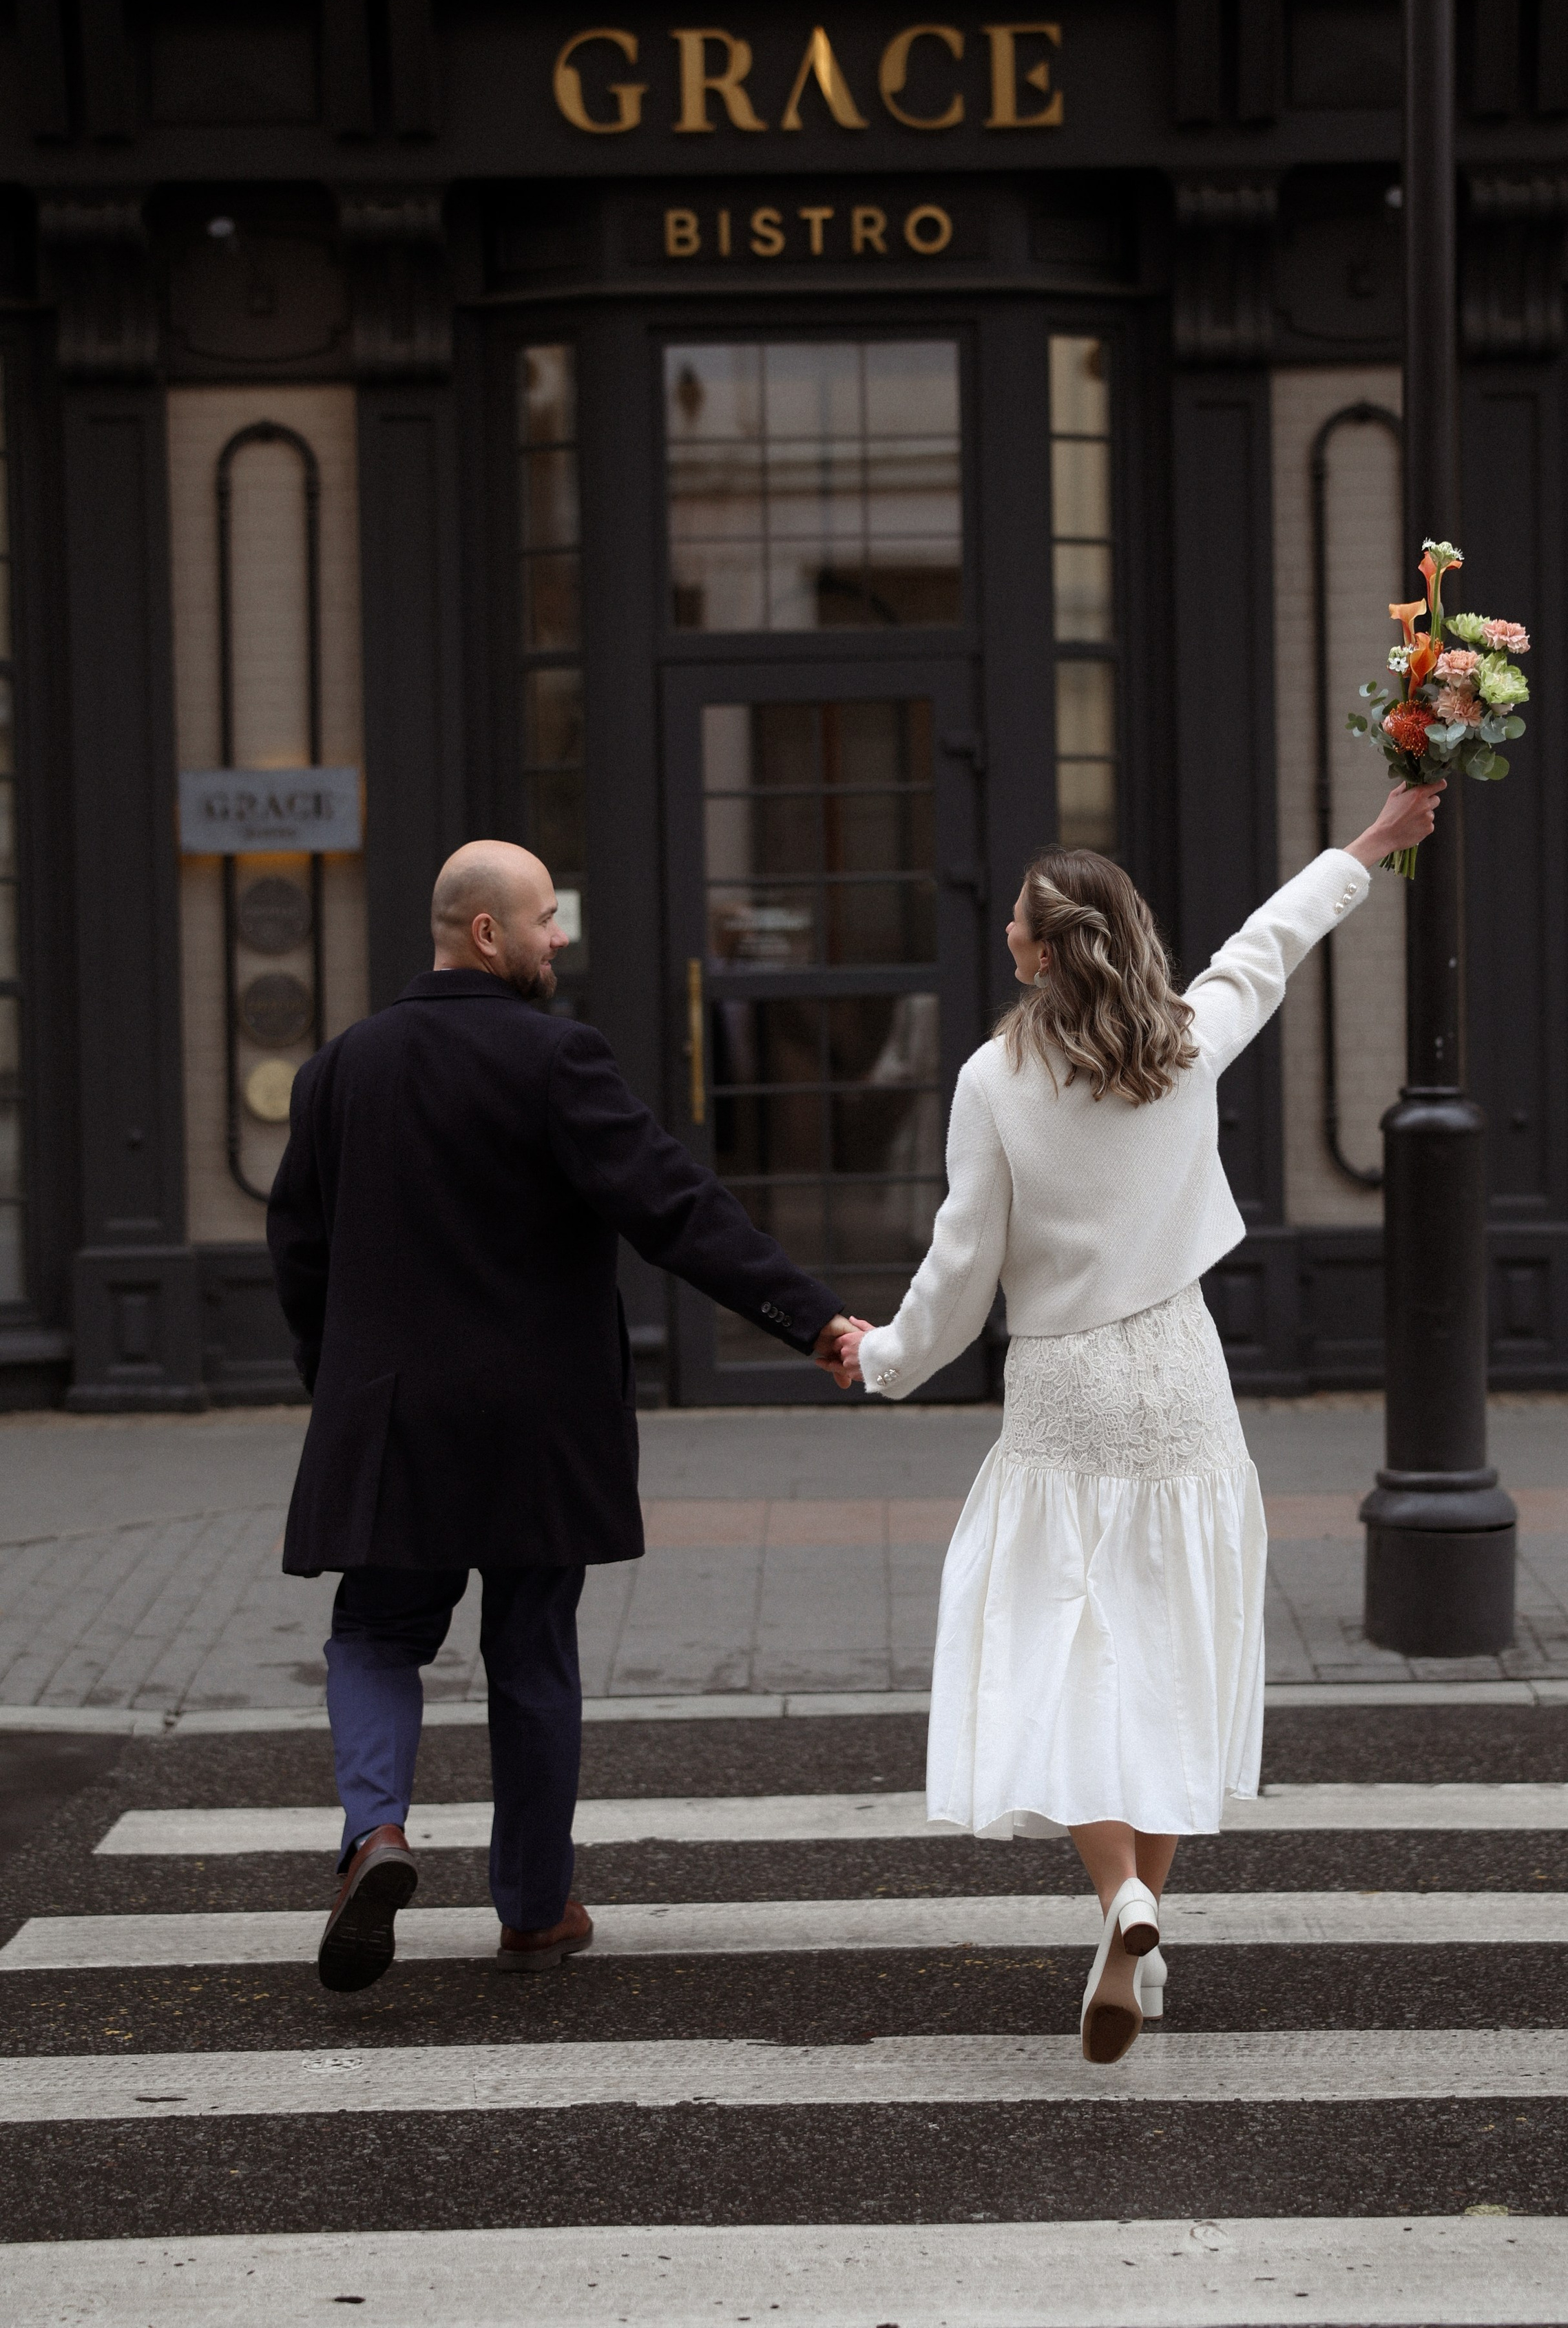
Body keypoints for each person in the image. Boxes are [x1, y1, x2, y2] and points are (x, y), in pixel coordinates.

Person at [839, 782, 1441, 2062]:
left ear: (1047, 948)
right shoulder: (1183, 1041)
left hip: (1064, 1387)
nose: (1004, 935)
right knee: (1171, 1640)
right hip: (1181, 1371)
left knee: (1063, 1645)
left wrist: (882, 1361)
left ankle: (1116, 1896)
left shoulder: (993, 1081)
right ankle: (1143, 1910)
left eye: (1016, 923)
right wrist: (1372, 844)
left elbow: (959, 1269)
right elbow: (1267, 948)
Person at [269, 840, 854, 1992]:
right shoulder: (555, 1059)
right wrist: (812, 1318)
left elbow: (300, 1253)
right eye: (546, 918)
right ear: (488, 934)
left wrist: (334, 1390)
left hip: (392, 1420)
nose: (560, 937)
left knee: (377, 1633)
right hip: (540, 1424)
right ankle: (534, 1910)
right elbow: (673, 1207)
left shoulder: (339, 1069)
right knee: (531, 1651)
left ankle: (375, 1833)